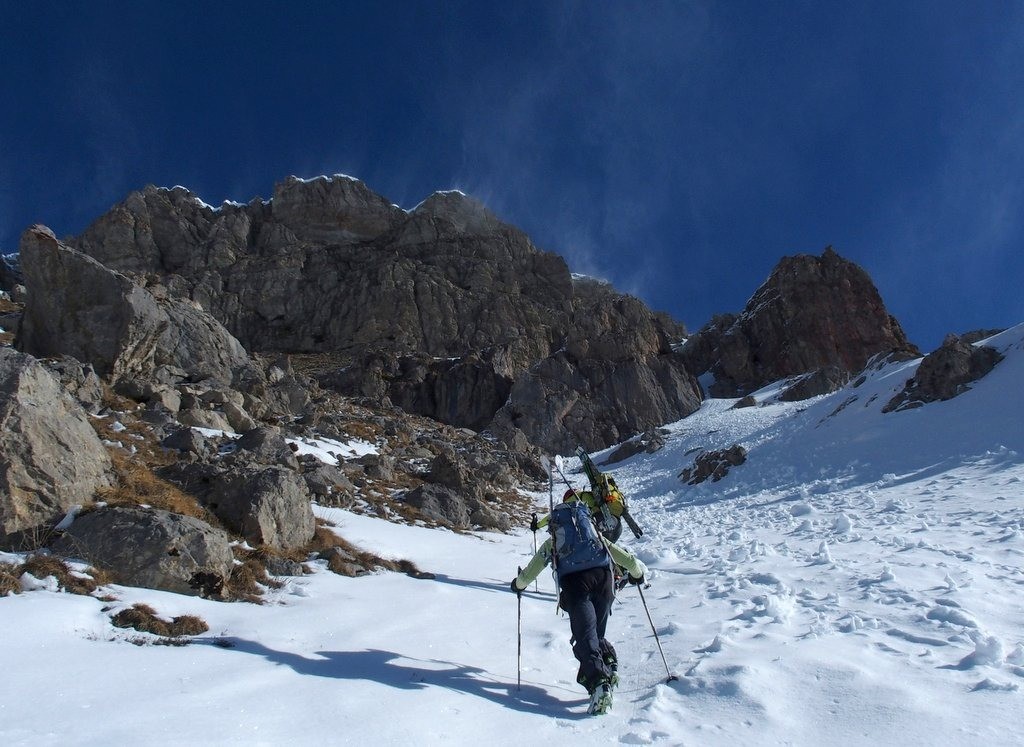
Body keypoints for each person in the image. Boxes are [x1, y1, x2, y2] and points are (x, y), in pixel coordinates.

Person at [511, 500, 648, 714]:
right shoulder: (594, 537)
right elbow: (627, 559)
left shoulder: (554, 542)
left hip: (576, 585)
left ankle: (598, 682)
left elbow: (532, 570)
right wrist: (637, 574)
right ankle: (608, 662)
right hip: (604, 581)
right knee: (596, 633)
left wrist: (518, 584)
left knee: (585, 635)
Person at [531, 489, 624, 543]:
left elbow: (554, 514)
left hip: (601, 526)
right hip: (615, 524)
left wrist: (537, 525)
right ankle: (622, 572)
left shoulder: (574, 499)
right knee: (609, 553)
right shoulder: (589, 495)